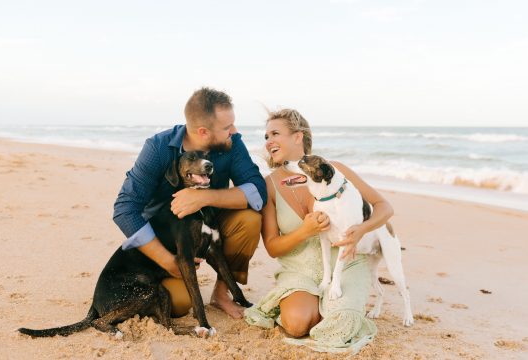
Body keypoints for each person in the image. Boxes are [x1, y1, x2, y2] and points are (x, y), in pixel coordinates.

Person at [245, 109, 394, 354]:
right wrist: (305, 230)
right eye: (266, 136)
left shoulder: (334, 170)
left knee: (342, 326)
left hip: (346, 264)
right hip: (299, 269)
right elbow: (272, 247)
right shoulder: (269, 184)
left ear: (298, 137)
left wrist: (361, 230)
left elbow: (384, 207)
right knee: (296, 323)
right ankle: (312, 303)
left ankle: (333, 305)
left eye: (275, 133)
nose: (268, 141)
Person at [113, 87, 267, 319]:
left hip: (210, 226)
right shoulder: (158, 148)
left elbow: (258, 191)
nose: (234, 132)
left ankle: (222, 294)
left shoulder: (231, 143)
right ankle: (174, 278)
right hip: (167, 242)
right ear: (203, 132)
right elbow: (125, 208)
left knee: (250, 220)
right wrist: (167, 260)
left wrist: (204, 197)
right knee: (178, 305)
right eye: (227, 127)